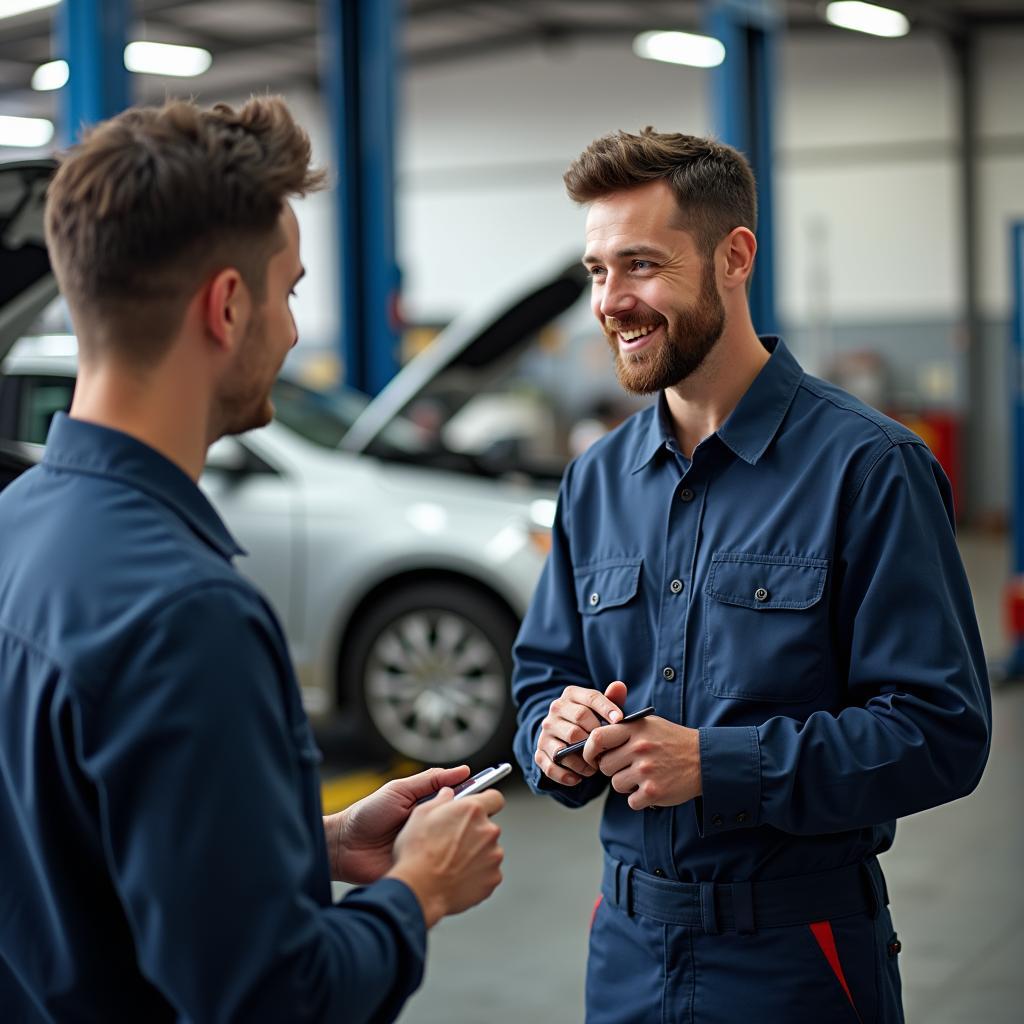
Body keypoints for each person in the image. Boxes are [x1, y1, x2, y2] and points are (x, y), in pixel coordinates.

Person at [0, 97, 504, 1023]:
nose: (293, 334)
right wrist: (419, 891)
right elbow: (274, 999)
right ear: (228, 307)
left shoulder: (16, 525)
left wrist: (317, 842)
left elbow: (84, 854)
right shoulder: (187, 615)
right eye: (291, 291)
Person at [512, 128, 991, 1023]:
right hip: (624, 949)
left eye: (642, 265)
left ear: (735, 257)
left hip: (797, 959)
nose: (612, 301)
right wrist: (553, 731)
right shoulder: (594, 481)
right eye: (595, 271)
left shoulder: (868, 467)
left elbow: (942, 733)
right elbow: (542, 679)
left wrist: (719, 764)